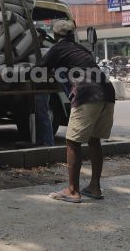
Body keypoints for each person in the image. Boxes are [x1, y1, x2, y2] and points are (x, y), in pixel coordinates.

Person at [36, 21, 115, 203]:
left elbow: (39, 70)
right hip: (107, 92)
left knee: (72, 141)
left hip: (87, 93)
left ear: (55, 36)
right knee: (94, 140)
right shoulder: (81, 49)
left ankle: (72, 190)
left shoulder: (57, 49)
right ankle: (95, 187)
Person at [34, 28, 54, 146]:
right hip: (36, 86)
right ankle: (40, 140)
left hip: (43, 86)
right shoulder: (32, 50)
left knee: (43, 114)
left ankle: (48, 142)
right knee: (38, 115)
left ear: (41, 38)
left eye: (37, 36)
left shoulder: (45, 51)